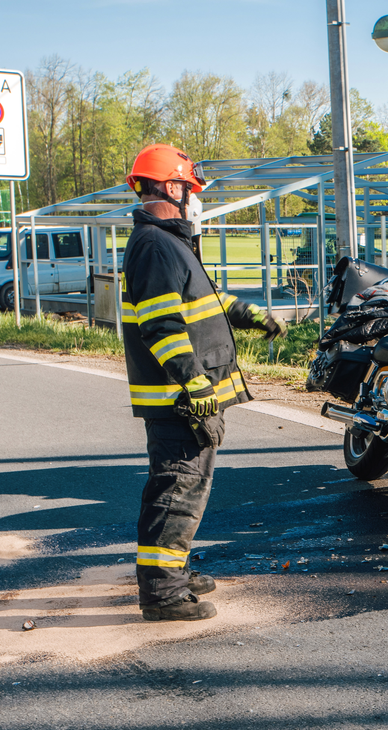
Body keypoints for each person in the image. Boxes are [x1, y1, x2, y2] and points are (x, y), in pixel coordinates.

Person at [121, 143, 285, 620]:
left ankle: (175, 570)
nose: (195, 200)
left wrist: (247, 313)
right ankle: (163, 594)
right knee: (176, 491)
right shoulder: (156, 245)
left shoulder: (169, 242)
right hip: (180, 398)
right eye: (190, 189)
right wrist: (194, 385)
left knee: (186, 490)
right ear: (171, 188)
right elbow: (161, 325)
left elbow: (201, 299)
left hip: (187, 395)